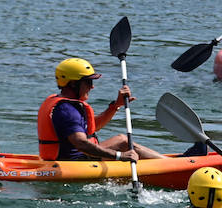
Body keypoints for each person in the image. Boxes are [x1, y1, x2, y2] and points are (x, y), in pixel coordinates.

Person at [36, 58, 165, 162]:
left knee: (121, 139)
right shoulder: (67, 109)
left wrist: (115, 106)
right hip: (74, 161)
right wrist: (119, 156)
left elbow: (91, 128)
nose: (92, 87)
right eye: (88, 82)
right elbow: (81, 143)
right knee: (122, 141)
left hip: (67, 157)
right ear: (73, 84)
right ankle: (169, 164)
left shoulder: (60, 102)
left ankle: (167, 161)